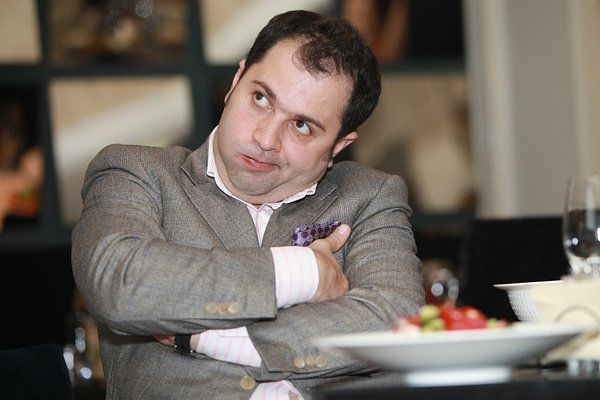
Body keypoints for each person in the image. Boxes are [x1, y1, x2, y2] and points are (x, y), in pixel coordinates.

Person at [72, 10, 424, 400]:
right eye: (260, 99)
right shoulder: (137, 172)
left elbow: (395, 320)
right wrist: (303, 272)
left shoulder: (370, 196)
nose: (266, 139)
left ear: (338, 146)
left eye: (302, 125)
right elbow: (120, 283)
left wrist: (199, 336)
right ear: (236, 81)